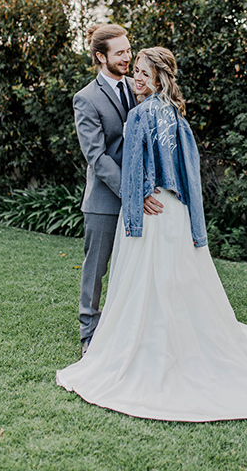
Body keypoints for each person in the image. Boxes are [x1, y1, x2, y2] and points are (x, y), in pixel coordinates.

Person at [58, 47, 247, 421]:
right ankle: (182, 346)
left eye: (143, 73)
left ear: (158, 79)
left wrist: (137, 204)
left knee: (144, 283)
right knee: (179, 281)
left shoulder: (138, 116)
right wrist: (191, 220)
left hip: (149, 213)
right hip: (176, 213)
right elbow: (189, 174)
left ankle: (149, 350)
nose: (136, 78)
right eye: (134, 70)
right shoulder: (176, 116)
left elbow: (135, 171)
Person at [73, 25, 162, 357]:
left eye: (128, 50)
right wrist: (134, 191)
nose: (128, 57)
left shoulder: (135, 86)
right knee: (96, 269)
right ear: (101, 57)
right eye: (120, 52)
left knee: (135, 267)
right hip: (104, 200)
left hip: (142, 197)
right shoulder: (86, 98)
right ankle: (88, 334)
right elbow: (97, 156)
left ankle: (129, 328)